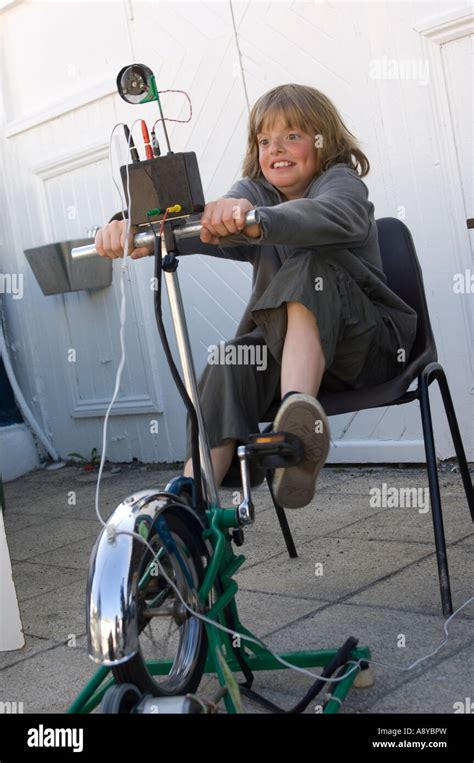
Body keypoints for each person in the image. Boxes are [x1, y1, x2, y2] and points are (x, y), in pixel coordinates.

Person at [95, 83, 418, 509]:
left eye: (293, 136)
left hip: (370, 348)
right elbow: (218, 213)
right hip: (289, 357)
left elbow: (331, 216)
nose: (276, 149)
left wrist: (255, 222)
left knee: (309, 267)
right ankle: (192, 509)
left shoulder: (342, 184)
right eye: (265, 140)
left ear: (325, 140)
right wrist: (136, 229)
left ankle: (295, 432)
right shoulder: (256, 193)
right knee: (229, 361)